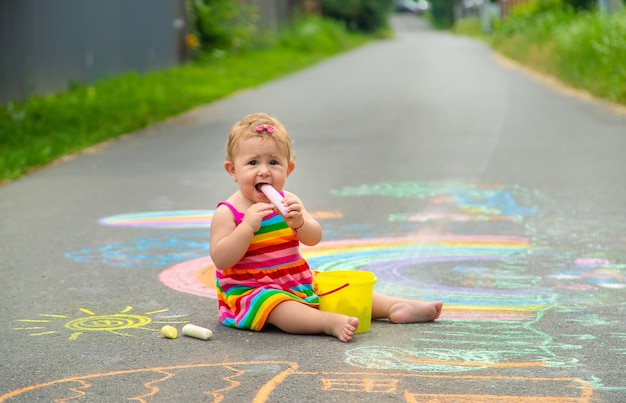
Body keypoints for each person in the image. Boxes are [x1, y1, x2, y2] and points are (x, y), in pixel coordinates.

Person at [210, 112, 443, 342]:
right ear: (233, 171)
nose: (264, 170)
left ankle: (394, 306)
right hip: (250, 290)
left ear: (288, 169)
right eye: (252, 163)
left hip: (295, 280)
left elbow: (314, 237)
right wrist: (246, 228)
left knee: (337, 288)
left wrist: (300, 222)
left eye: (273, 162)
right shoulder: (229, 212)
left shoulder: (289, 201)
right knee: (278, 306)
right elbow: (221, 258)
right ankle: (327, 322)